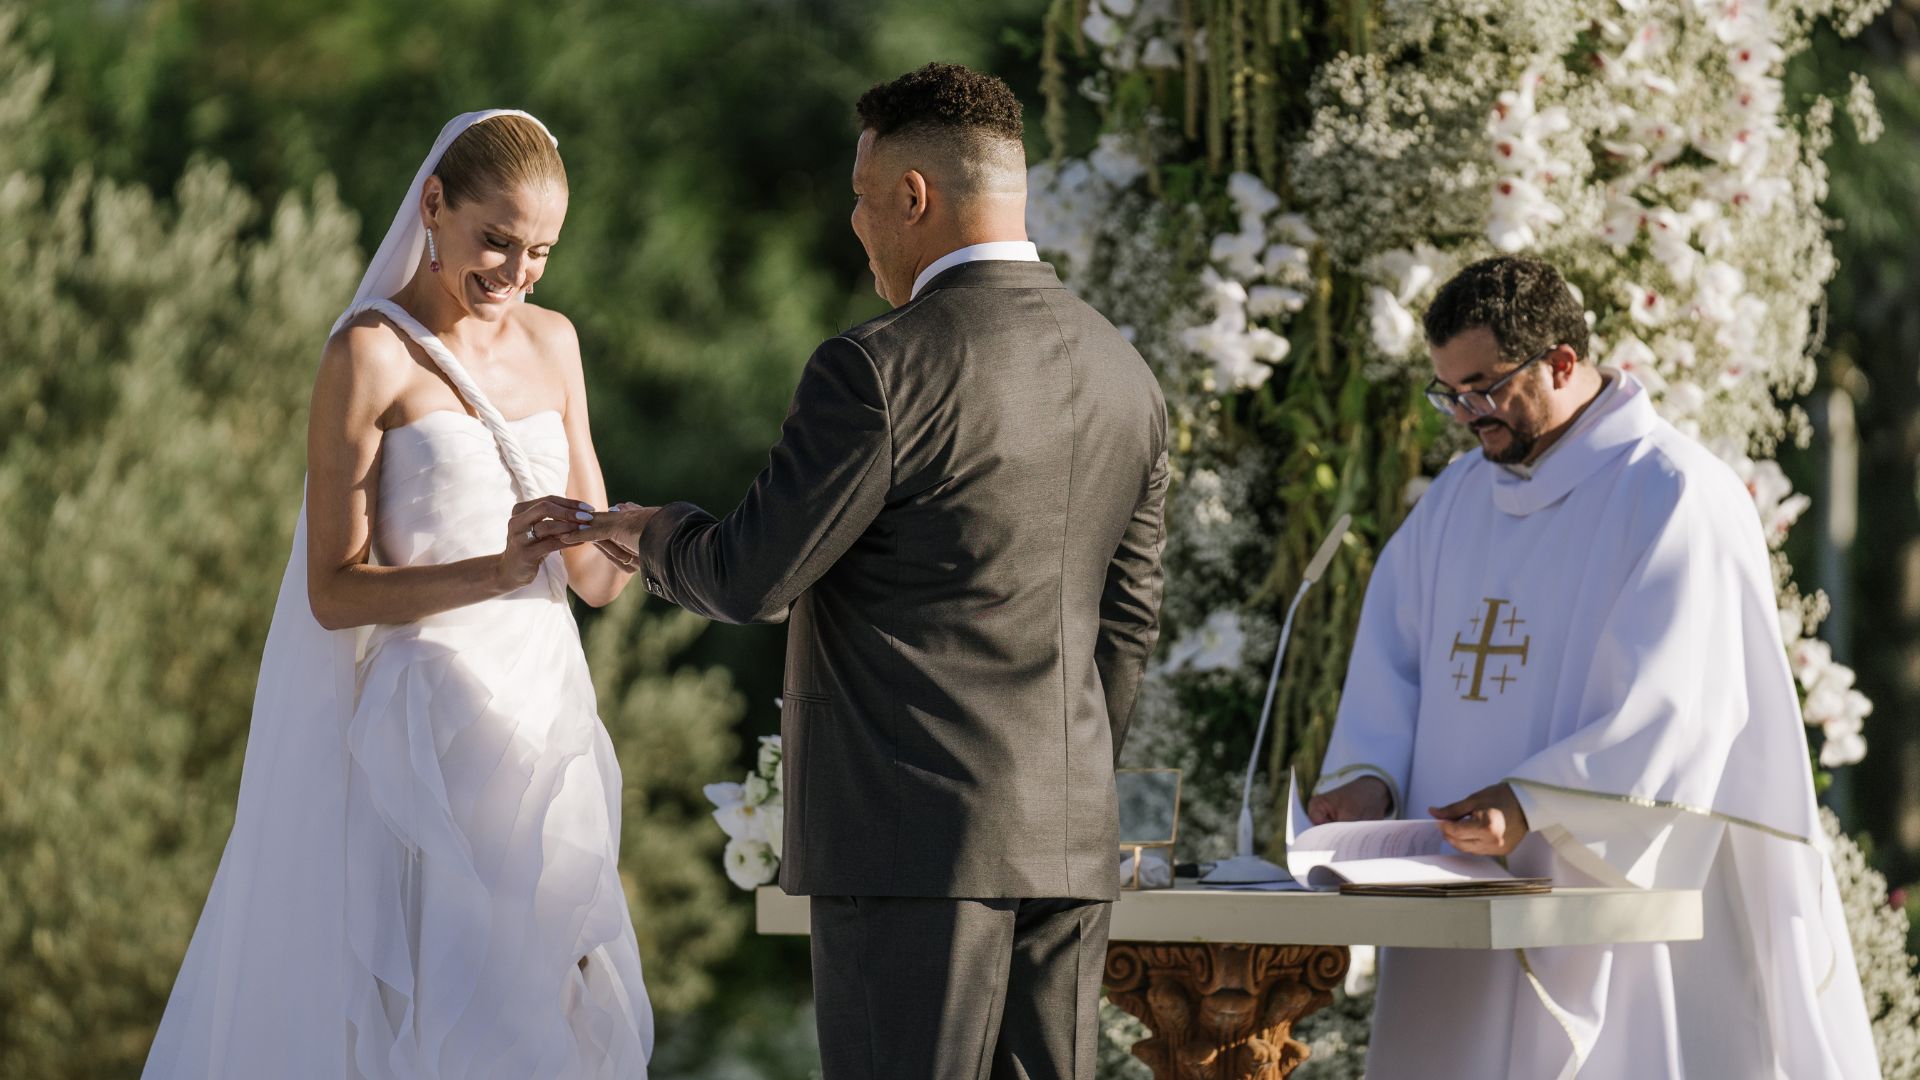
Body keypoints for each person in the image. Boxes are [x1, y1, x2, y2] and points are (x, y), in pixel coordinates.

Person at [576, 63, 1169, 1080]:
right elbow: (1130, 624)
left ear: (912, 196)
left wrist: (650, 532)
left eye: (860, 198)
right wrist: (1061, 784)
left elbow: (752, 577)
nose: (856, 227)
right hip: (1068, 844)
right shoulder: (1126, 369)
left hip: (910, 853)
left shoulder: (879, 369)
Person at [144, 111, 653, 1078]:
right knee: (429, 1010)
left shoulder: (556, 343)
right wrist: (495, 570)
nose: (516, 272)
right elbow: (332, 594)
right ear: (434, 204)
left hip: (548, 721)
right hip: (425, 740)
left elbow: (590, 583)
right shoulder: (369, 355)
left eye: (539, 250)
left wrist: (633, 536)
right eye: (495, 239)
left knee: (544, 1007)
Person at [1307, 255, 1878, 1079]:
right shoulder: (1458, 500)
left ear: (1562, 363)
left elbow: (1681, 705)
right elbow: (1392, 664)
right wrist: (1368, 779)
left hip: (1605, 879)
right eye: (1449, 394)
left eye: (1483, 388)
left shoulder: (1674, 494)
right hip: (1449, 887)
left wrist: (1533, 803)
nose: (1466, 415)